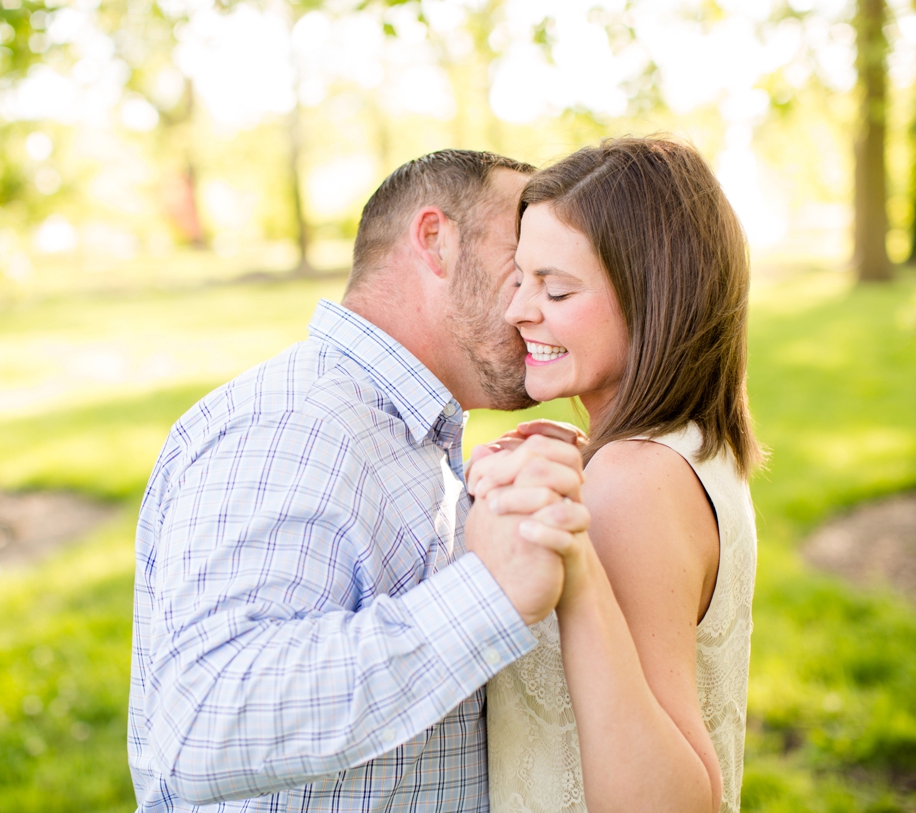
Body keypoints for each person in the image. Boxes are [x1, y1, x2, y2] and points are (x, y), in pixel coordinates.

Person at [127, 150, 587, 811]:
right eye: (526, 266)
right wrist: (489, 595)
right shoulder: (294, 423)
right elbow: (204, 720)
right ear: (437, 241)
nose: (535, 303)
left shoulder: (402, 433)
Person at [470, 137, 762, 813]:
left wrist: (574, 560)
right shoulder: (678, 449)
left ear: (654, 296)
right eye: (520, 277)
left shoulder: (634, 482)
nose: (519, 309)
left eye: (557, 287)